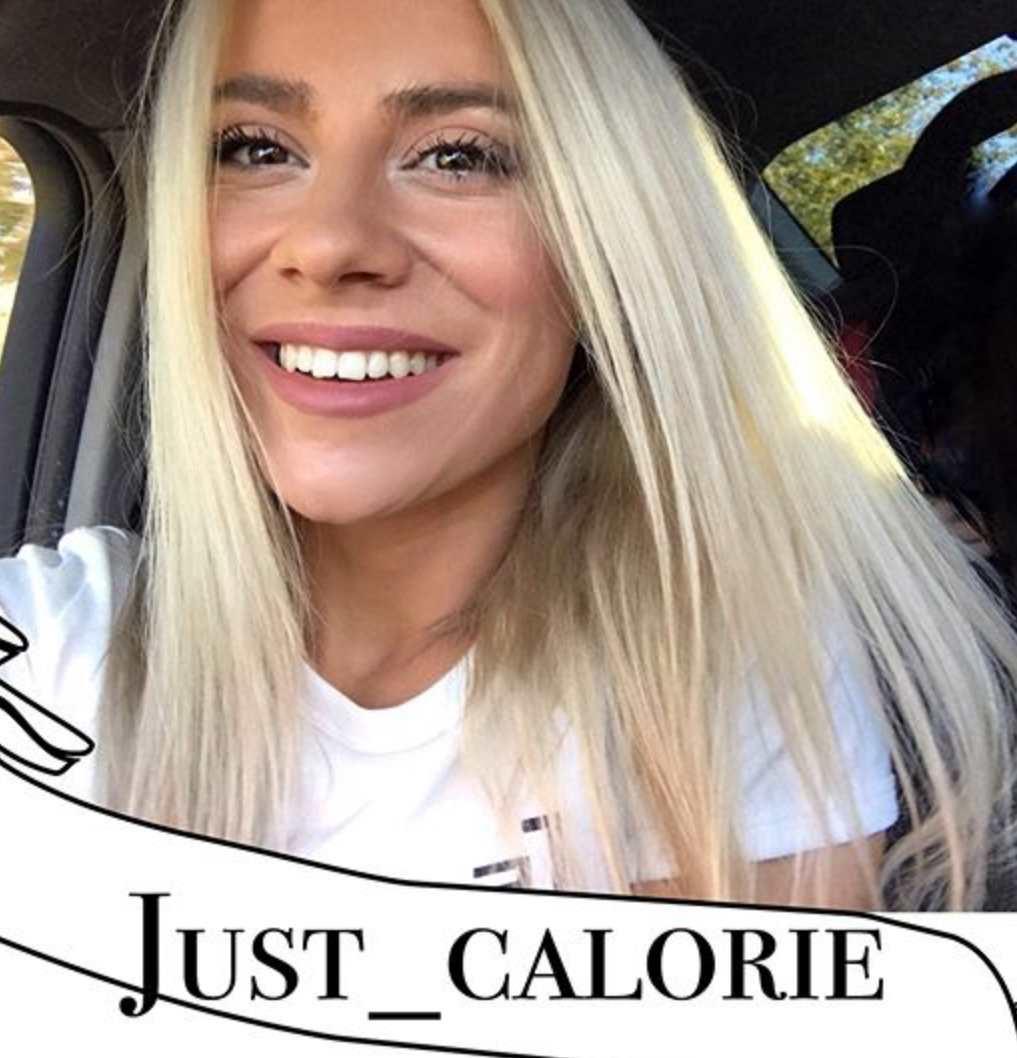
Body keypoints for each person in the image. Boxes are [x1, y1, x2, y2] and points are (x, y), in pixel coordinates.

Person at [1, 0, 1016, 910]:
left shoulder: (731, 663)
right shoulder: (60, 643)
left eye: (459, 156)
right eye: (255, 147)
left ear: (603, 246)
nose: (328, 242)